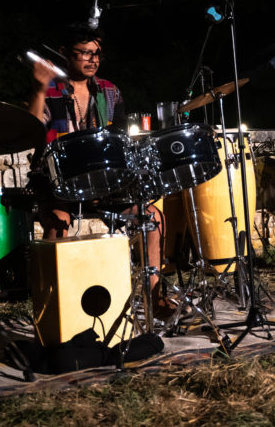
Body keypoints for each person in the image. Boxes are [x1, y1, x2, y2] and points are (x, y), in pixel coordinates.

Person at [28, 22, 169, 312]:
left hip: (105, 188)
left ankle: (155, 296)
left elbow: (119, 141)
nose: (92, 60)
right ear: (65, 53)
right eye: (84, 53)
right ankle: (53, 305)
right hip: (59, 189)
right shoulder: (52, 91)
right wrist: (39, 88)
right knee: (58, 224)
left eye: (96, 54)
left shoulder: (109, 92)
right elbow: (29, 132)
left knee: (152, 217)